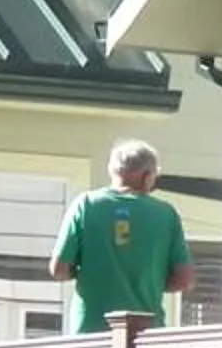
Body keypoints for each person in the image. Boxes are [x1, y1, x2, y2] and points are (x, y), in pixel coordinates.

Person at [50, 140, 195, 330]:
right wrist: (151, 282)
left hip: (91, 333)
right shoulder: (166, 214)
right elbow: (185, 280)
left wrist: (91, 273)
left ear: (113, 171)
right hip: (145, 335)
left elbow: (58, 269)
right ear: (147, 176)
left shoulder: (86, 205)